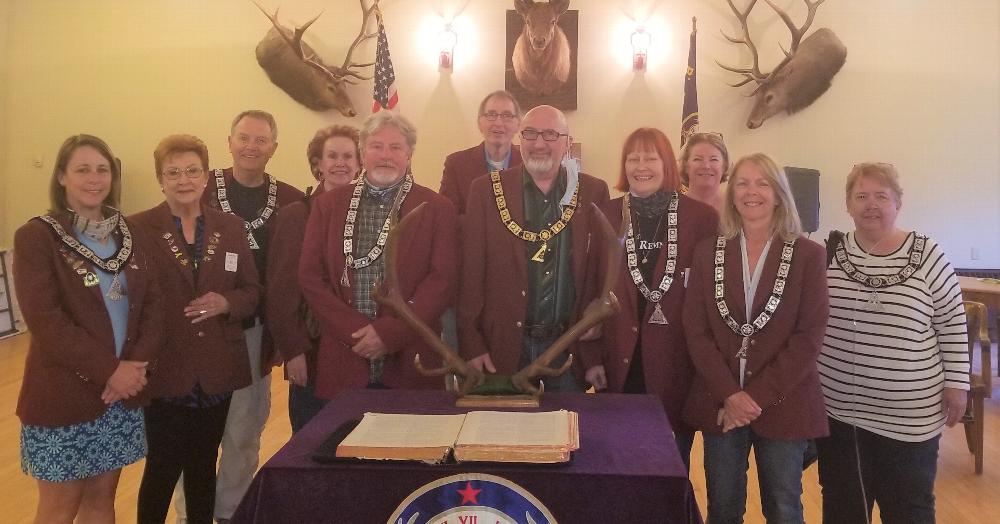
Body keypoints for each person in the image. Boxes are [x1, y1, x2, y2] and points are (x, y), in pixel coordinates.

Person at [13, 134, 163, 523]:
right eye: (82, 170)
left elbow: (154, 304)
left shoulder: (131, 232)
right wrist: (110, 371)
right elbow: (46, 320)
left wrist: (136, 367)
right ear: (62, 176)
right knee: (59, 509)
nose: (94, 179)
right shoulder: (36, 237)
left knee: (101, 501)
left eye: (102, 169)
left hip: (119, 396)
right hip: (64, 395)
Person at [816, 162, 969, 524]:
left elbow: (952, 323)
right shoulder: (830, 254)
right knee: (843, 507)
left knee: (908, 510)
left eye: (881, 196)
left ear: (898, 203)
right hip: (840, 413)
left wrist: (957, 384)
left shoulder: (928, 254)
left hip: (910, 418)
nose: (871, 204)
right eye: (861, 196)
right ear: (848, 204)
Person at [682, 153, 829, 523]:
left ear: (779, 194)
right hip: (721, 401)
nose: (752, 192)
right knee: (723, 508)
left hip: (784, 401)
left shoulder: (809, 256)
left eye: (763, 183)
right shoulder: (707, 252)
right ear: (731, 194)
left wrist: (752, 399)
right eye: (743, 183)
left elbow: (808, 338)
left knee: (783, 509)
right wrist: (731, 395)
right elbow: (696, 331)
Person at [131, 135, 261, 524]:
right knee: (162, 466)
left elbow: (252, 291)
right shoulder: (138, 228)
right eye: (173, 173)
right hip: (165, 368)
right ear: (160, 179)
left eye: (192, 171)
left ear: (206, 176)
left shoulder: (231, 227)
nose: (183, 180)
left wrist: (226, 303)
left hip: (216, 369)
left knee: (203, 464)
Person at [581, 128, 718, 471]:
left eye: (650, 158)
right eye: (633, 158)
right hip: (618, 366)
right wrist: (591, 359)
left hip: (677, 370)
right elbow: (590, 293)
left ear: (667, 163)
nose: (641, 166)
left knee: (669, 470)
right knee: (618, 468)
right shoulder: (606, 214)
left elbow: (711, 302)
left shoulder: (702, 219)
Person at [299, 112, 458, 399]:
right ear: (363, 153)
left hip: (412, 361)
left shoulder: (437, 208)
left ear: (409, 155)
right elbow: (311, 277)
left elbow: (442, 281)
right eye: (376, 146)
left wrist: (389, 334)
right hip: (346, 357)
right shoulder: (327, 206)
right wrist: (356, 331)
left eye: (395, 147)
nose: (386, 155)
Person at [193, 110, 303, 522]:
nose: (251, 146)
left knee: (243, 430)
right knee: (196, 434)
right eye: (244, 138)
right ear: (229, 141)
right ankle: (191, 514)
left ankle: (232, 513)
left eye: (260, 140)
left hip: (255, 333)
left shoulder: (291, 200)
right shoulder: (199, 189)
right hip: (201, 333)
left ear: (274, 147)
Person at [458, 105, 610, 392]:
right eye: (530, 133)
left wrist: (595, 348)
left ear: (567, 142)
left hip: (568, 349)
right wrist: (471, 343)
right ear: (520, 138)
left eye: (550, 134)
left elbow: (599, 272)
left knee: (566, 421)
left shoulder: (593, 191)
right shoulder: (485, 191)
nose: (539, 143)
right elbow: (471, 272)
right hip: (502, 348)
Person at [267, 125, 361, 432]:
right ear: (318, 163)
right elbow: (281, 292)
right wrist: (293, 352)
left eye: (348, 156)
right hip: (312, 351)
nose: (340, 163)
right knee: (313, 440)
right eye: (332, 156)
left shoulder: (371, 215)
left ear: (359, 164)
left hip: (359, 351)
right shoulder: (297, 215)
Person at [439, 90, 524, 215]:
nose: (498, 123)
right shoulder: (456, 164)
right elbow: (447, 216)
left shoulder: (528, 164)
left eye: (507, 115)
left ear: (518, 125)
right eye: (491, 115)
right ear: (480, 123)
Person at [679, 132, 730, 212]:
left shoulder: (738, 208)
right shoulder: (672, 211)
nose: (706, 166)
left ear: (724, 166)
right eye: (698, 159)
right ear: (686, 166)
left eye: (714, 159)